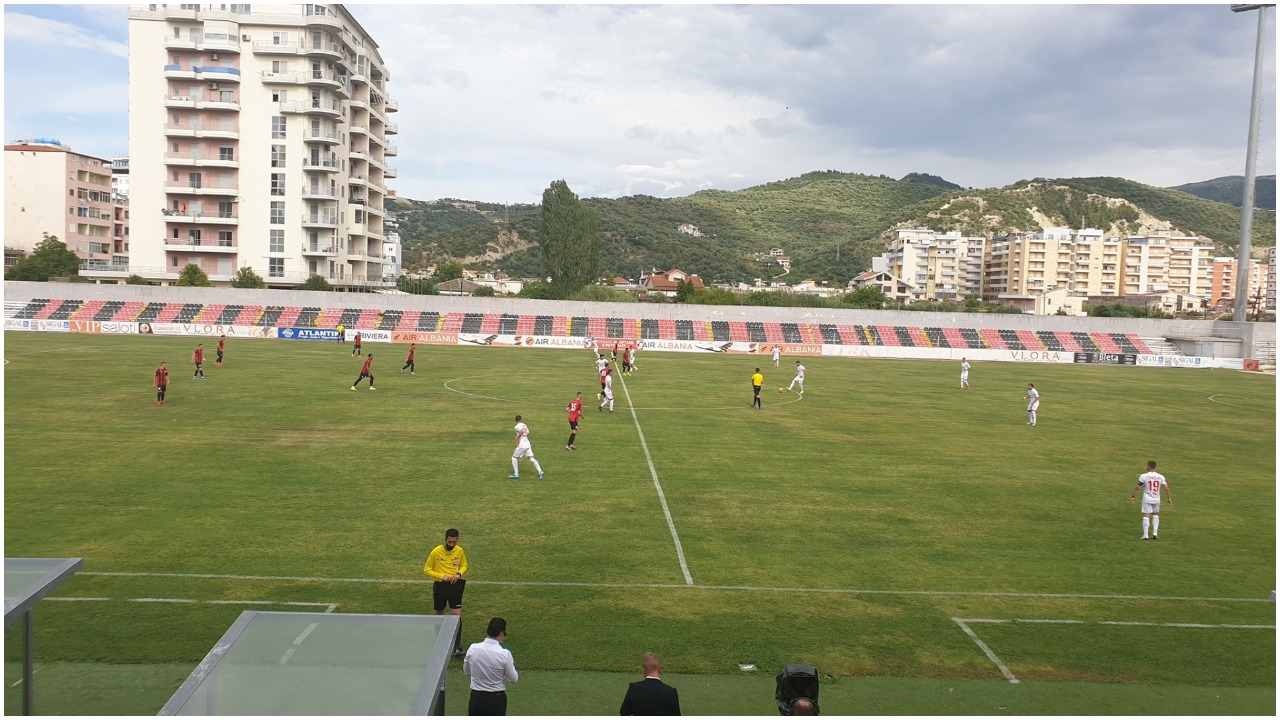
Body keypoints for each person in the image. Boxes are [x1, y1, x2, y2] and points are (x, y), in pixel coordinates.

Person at [424, 528, 468, 656]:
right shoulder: (436, 552)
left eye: (454, 542)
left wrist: (459, 573)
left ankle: (457, 646)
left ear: (457, 540)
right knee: (439, 611)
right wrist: (441, 576)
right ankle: (439, 640)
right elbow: (427, 569)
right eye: (450, 542)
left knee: (457, 614)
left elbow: (464, 565)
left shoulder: (459, 551)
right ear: (445, 540)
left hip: (455, 586)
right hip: (440, 586)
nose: (452, 545)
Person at [463, 617, 518, 716]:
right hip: (496, 700)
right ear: (501, 634)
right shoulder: (505, 654)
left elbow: (466, 670)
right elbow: (514, 679)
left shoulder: (473, 648)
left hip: (476, 698)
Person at [1129, 460, 1173, 540]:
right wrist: (1169, 498)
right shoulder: (1161, 476)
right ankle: (1155, 534)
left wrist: (1133, 496)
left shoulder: (1143, 476)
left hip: (1147, 499)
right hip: (1156, 499)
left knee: (1146, 516)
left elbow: (1138, 487)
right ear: (1155, 467)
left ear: (1149, 466)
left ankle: (1145, 535)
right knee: (1156, 514)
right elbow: (1166, 488)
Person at [509, 415, 544, 480]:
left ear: (516, 420)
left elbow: (522, 431)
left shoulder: (516, 426)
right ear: (521, 419)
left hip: (522, 445)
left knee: (514, 458)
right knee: (531, 458)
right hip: (527, 444)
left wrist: (517, 438)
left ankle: (516, 474)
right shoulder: (524, 425)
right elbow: (528, 432)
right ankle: (540, 472)